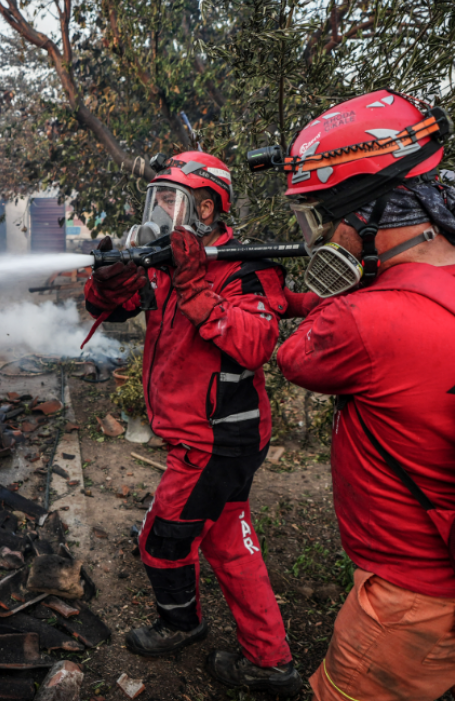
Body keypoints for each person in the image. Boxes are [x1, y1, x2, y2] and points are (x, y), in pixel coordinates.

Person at [273, 90, 455, 701]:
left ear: (362, 214)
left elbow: (295, 357)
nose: (316, 235)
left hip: (416, 602)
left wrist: (337, 282)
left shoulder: (363, 322)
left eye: (320, 216)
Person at [84, 150, 315, 695]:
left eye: (172, 202)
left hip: (217, 437)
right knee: (229, 541)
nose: (160, 214)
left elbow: (255, 343)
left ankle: (180, 625)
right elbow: (111, 309)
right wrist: (109, 279)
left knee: (162, 541)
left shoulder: (246, 267)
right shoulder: (168, 265)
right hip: (207, 434)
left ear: (207, 209)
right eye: (156, 201)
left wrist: (193, 285)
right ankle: (270, 659)